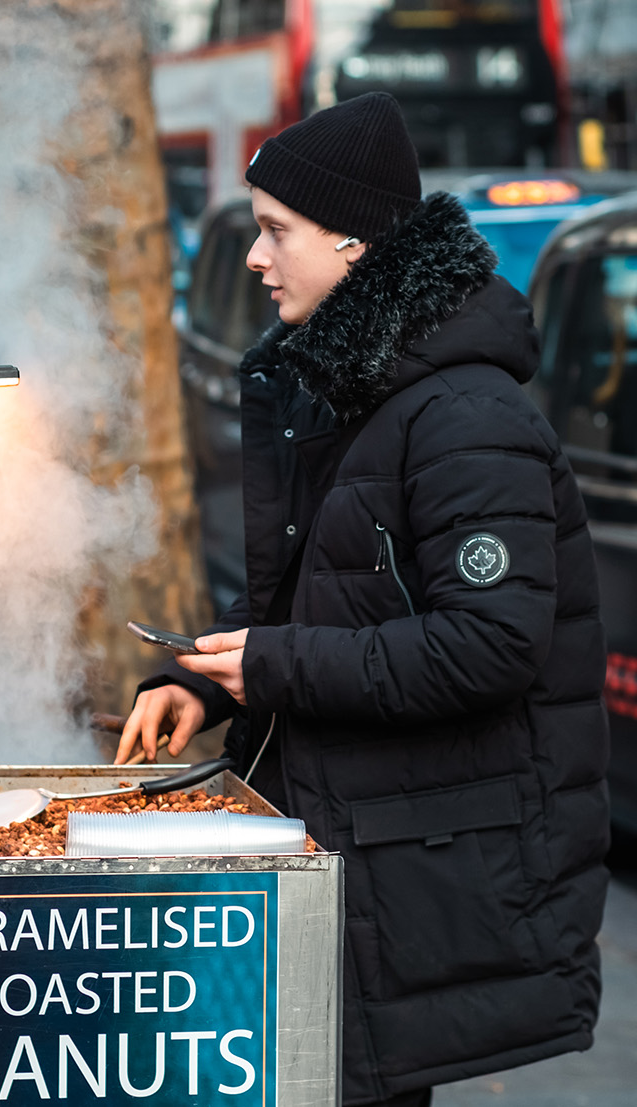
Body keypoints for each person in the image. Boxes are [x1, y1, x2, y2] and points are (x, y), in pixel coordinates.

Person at [117, 92, 609, 1106]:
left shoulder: (466, 415)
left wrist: (266, 665)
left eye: (273, 232)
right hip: (358, 851)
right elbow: (331, 607)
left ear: (353, 243)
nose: (256, 260)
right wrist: (212, 687)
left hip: (415, 874)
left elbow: (487, 646)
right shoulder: (354, 392)